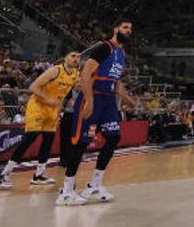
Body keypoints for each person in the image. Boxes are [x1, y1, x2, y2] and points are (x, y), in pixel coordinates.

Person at [56, 20, 137, 207]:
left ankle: (94, 185)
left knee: (113, 137)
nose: (128, 31)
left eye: (131, 29)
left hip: (109, 101)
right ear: (116, 29)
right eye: (125, 27)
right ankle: (67, 190)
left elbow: (116, 82)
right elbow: (85, 73)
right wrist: (90, 101)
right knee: (81, 142)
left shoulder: (122, 53)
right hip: (94, 98)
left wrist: (128, 100)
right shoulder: (104, 47)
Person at [0, 51, 80, 189]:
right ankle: (3, 174)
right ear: (65, 58)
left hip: (52, 109)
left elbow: (74, 89)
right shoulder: (55, 70)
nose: (76, 59)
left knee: (48, 139)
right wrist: (47, 99)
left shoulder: (76, 74)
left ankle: (39, 175)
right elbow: (33, 86)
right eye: (73, 56)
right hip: (38, 105)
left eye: (78, 57)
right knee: (30, 137)